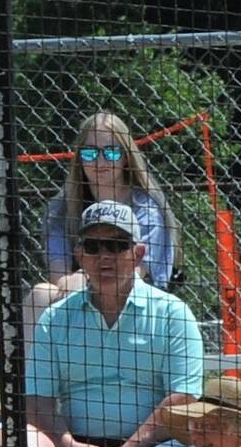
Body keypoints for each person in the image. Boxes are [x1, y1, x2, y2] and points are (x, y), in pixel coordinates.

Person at [25, 200, 204, 447]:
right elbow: (36, 400)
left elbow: (183, 398)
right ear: (79, 254)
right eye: (93, 246)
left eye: (117, 245)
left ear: (138, 253)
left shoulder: (173, 314)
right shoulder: (54, 318)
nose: (104, 256)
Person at [23, 110, 178, 341]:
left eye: (111, 153)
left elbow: (137, 272)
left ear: (126, 157)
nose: (100, 161)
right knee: (40, 295)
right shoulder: (61, 209)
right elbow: (59, 275)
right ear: (79, 158)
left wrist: (85, 279)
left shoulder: (146, 207)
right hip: (76, 294)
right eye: (90, 153)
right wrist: (78, 281)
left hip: (133, 297)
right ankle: (35, 377)